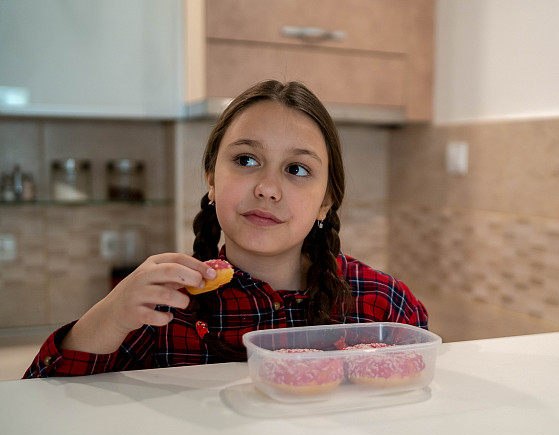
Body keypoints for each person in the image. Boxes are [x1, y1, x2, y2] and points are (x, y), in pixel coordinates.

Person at [23, 80, 428, 378]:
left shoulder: (381, 304)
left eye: (297, 169)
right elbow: (44, 402)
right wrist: (110, 315)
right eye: (246, 160)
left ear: (327, 199)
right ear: (212, 180)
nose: (267, 188)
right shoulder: (163, 310)